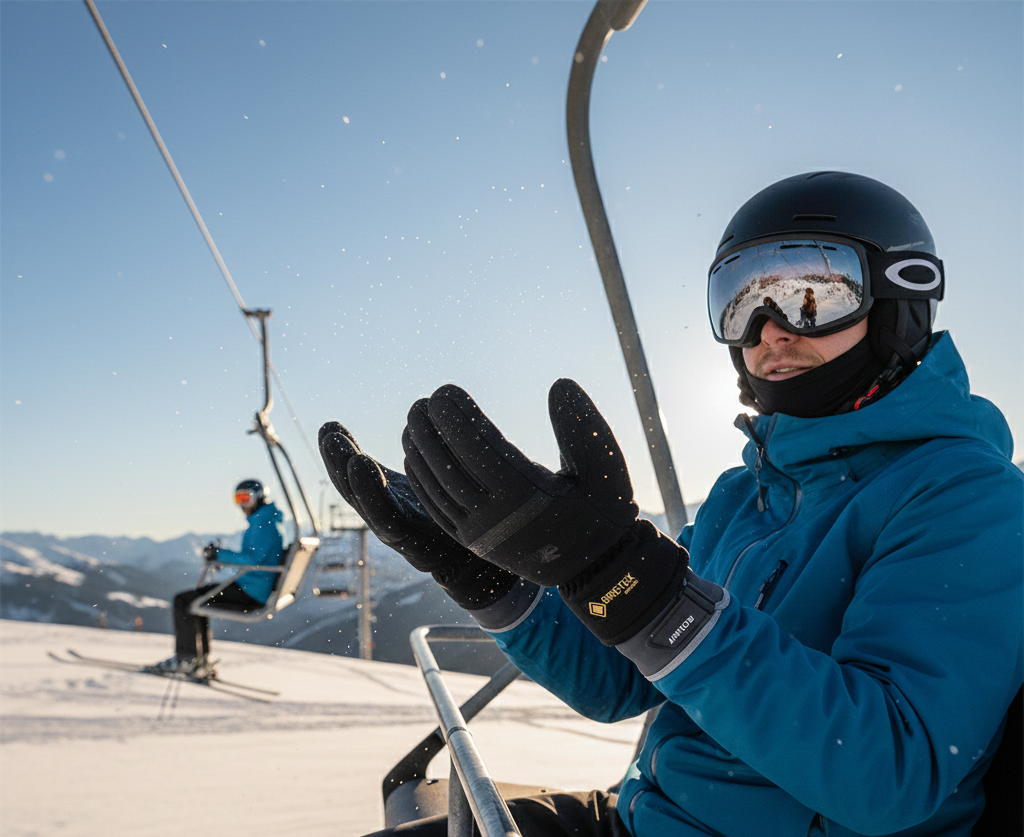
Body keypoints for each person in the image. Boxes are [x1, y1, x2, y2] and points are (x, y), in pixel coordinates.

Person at [320, 172, 1023, 837]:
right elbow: (621, 680)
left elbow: (890, 767)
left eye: (811, 295)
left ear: (900, 301)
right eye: (741, 302)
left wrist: (637, 583)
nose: (770, 331)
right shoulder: (742, 493)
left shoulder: (965, 496)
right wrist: (495, 582)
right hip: (652, 816)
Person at [154, 478, 284, 676]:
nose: (242, 505)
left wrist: (219, 555)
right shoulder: (264, 521)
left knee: (184, 601)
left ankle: (188, 660)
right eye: (238, 499)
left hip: (251, 592)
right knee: (197, 602)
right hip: (253, 586)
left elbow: (252, 560)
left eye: (246, 498)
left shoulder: (263, 525)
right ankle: (199, 660)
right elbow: (256, 560)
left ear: (258, 498)